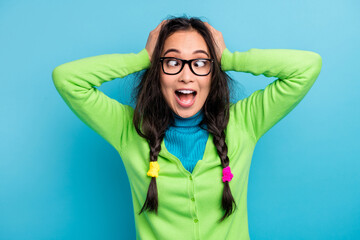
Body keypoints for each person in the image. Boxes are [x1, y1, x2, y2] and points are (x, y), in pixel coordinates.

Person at [52, 16, 322, 240]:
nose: (186, 74)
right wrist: (142, 57)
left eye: (200, 62)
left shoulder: (245, 123)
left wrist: (229, 58)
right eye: (171, 62)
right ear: (156, 72)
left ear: (213, 71)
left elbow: (306, 68)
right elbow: (67, 79)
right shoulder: (127, 129)